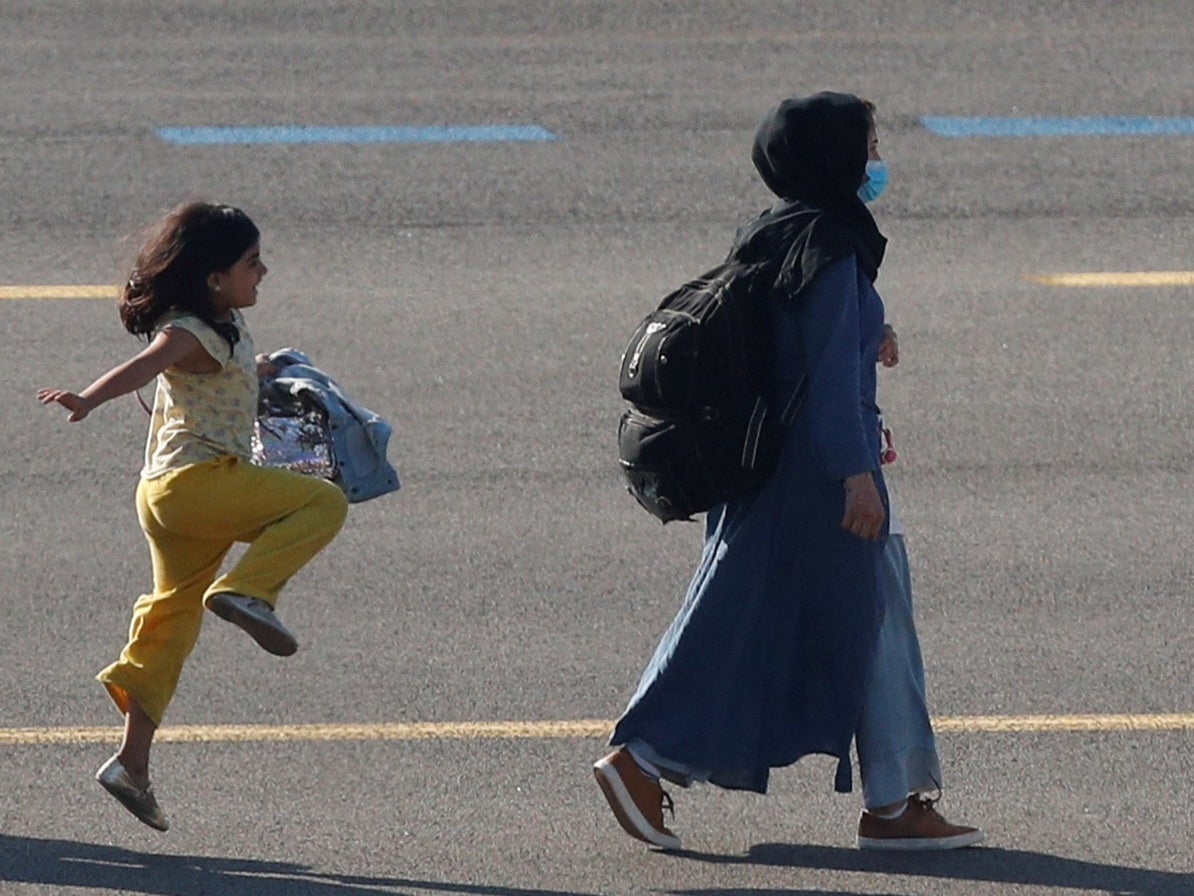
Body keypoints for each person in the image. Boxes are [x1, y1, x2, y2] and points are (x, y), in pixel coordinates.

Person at [593, 93, 982, 851]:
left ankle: (896, 800)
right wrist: (855, 474)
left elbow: (796, 344)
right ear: (835, 157)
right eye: (868, 147)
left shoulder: (779, 233)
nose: (876, 162)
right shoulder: (833, 245)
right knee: (740, 614)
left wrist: (874, 333)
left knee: (863, 616)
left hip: (773, 460)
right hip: (818, 473)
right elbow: (830, 376)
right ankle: (641, 755)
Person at [38, 202, 348, 832]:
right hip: (196, 486)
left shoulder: (225, 325)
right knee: (321, 501)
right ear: (214, 277)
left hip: (170, 502)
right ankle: (246, 591)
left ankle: (132, 765)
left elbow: (225, 375)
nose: (264, 272)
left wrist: (269, 370)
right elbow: (147, 364)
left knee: (170, 623)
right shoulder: (188, 331)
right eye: (251, 264)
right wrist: (88, 399)